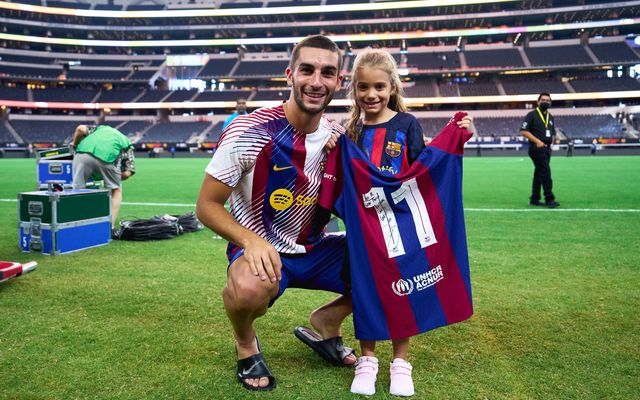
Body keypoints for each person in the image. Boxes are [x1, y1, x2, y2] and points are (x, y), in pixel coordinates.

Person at [195, 35, 356, 392]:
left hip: (315, 249)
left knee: (387, 263)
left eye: (327, 73)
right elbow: (206, 206)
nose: (316, 81)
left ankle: (327, 323)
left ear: (338, 82)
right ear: (289, 74)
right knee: (252, 290)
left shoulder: (338, 138)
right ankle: (245, 340)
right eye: (307, 70)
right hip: (260, 249)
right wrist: (249, 240)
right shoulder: (248, 131)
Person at [345, 48, 473, 397]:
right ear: (354, 90)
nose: (371, 95)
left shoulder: (407, 124)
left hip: (402, 224)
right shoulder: (350, 130)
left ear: (391, 87)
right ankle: (367, 359)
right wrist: (331, 144)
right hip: (367, 225)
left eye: (379, 87)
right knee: (367, 288)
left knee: (405, 289)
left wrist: (459, 137)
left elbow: (424, 170)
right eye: (362, 87)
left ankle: (400, 362)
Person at [71, 124, 136, 227]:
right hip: (107, 158)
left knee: (77, 190)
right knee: (116, 190)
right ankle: (110, 226)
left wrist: (75, 144)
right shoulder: (126, 141)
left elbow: (80, 129)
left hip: (82, 156)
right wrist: (117, 177)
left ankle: (76, 222)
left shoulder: (97, 129)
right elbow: (129, 172)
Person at [520, 93, 560, 208]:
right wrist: (537, 141)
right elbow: (523, 131)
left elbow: (552, 132)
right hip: (537, 148)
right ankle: (549, 198)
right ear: (538, 102)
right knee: (546, 173)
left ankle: (534, 198)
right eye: (543, 100)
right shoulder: (531, 115)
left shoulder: (550, 117)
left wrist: (553, 140)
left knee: (539, 173)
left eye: (548, 100)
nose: (545, 102)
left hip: (547, 149)